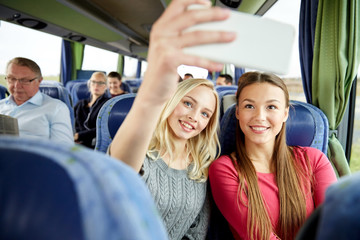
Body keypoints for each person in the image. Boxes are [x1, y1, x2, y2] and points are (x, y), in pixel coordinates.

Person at [109, 0, 236, 239]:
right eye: (188, 103)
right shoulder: (142, 150)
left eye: (205, 113)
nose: (193, 117)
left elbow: (196, 232)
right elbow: (120, 173)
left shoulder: (202, 166)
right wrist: (150, 98)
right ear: (171, 101)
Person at [209, 71, 337, 240]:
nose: (260, 117)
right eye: (249, 106)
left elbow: (334, 225)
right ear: (238, 112)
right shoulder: (225, 169)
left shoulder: (314, 160)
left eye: (271, 107)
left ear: (285, 114)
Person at [0, 57, 73, 144]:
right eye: (12, 79)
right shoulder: (1, 105)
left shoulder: (56, 108)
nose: (16, 86)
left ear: (39, 81)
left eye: (25, 80)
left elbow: (63, 151)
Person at [74, 72, 110, 148]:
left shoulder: (108, 105)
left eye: (100, 83)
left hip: (94, 145)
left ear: (106, 86)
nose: (96, 85)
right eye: (93, 82)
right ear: (89, 84)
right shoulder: (80, 104)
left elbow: (104, 129)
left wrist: (79, 136)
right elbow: (71, 122)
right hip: (74, 141)